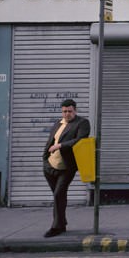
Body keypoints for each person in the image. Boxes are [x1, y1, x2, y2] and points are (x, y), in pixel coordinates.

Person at [42, 98, 90, 238]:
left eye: (69, 111)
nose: (67, 114)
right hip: (50, 166)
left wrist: (60, 146)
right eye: (64, 111)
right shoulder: (58, 123)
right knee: (59, 196)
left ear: (75, 110)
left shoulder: (82, 123)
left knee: (58, 194)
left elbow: (80, 139)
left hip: (67, 167)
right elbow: (51, 140)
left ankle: (56, 227)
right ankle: (61, 223)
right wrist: (44, 158)